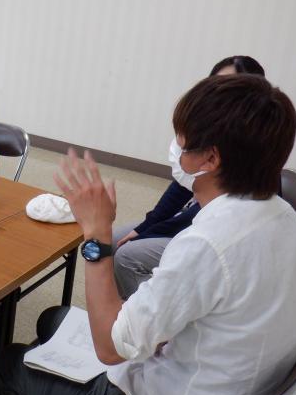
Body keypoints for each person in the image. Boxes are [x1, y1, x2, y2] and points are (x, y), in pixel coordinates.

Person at [0, 74, 296, 395]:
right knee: (53, 319)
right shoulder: (282, 216)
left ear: (211, 158)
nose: (176, 152)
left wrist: (97, 236)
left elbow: (110, 349)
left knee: (10, 362)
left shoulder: (208, 244)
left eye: (181, 143)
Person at [113, 56, 266, 298]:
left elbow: (199, 221)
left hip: (203, 235)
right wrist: (146, 226)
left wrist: (147, 233)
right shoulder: (209, 142)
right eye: (215, 87)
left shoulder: (243, 163)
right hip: (192, 225)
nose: (218, 97)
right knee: (115, 240)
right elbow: (182, 185)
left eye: (232, 91)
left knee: (126, 255)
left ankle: (142, 322)